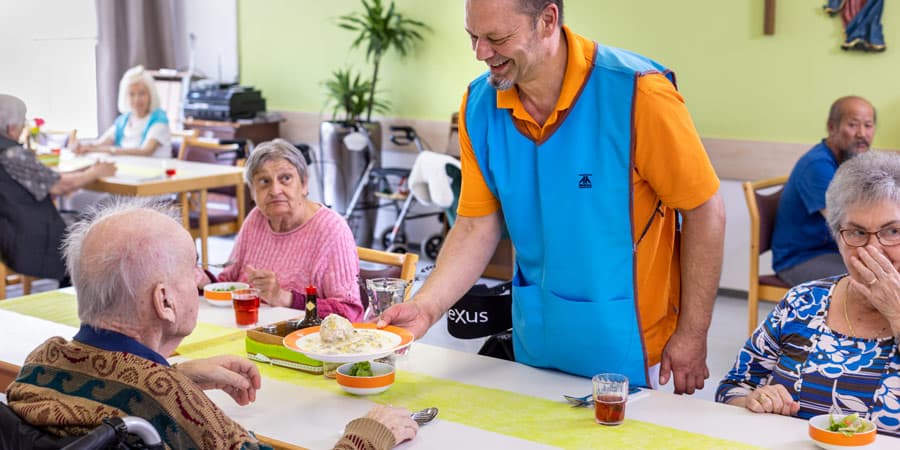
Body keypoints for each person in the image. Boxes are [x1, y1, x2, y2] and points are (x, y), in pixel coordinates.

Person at [378, 0, 725, 394]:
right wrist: (425, 308)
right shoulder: (480, 104)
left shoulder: (638, 94)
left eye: (497, 38)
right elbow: (475, 225)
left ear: (547, 20)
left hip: (637, 355)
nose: (481, 53)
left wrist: (693, 334)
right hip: (536, 348)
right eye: (473, 37)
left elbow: (704, 211)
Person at [4, 198, 418, 449]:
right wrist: (368, 435)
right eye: (194, 267)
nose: (202, 279)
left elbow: (105, 389)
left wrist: (173, 372)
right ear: (164, 301)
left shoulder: (41, 362)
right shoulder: (172, 406)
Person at [717, 151, 900, 437]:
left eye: (892, 231)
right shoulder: (803, 301)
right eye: (856, 232)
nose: (873, 249)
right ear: (837, 237)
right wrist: (754, 400)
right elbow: (732, 388)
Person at [202, 139, 364, 321]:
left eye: (285, 178)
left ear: (303, 184)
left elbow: (349, 313)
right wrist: (203, 281)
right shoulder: (256, 218)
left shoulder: (331, 229)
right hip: (247, 330)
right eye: (264, 181)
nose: (275, 190)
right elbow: (228, 284)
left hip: (301, 341)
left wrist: (285, 298)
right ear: (252, 192)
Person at [0, 93, 116, 284]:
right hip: (23, 236)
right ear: (12, 129)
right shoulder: (11, 154)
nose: (23, 128)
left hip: (10, 229)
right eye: (23, 123)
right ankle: (78, 295)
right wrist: (97, 172)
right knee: (97, 229)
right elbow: (61, 186)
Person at [772, 96, 876, 286]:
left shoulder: (852, 161)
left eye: (868, 126)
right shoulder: (817, 165)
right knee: (873, 277)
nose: (862, 133)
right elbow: (845, 225)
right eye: (853, 125)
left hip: (831, 251)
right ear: (831, 127)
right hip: (801, 259)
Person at [74, 65, 172, 158]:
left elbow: (145, 151)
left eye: (142, 94)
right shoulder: (124, 120)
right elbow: (100, 143)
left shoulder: (159, 119)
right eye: (131, 94)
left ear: (151, 95)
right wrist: (84, 146)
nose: (136, 99)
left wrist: (108, 150)